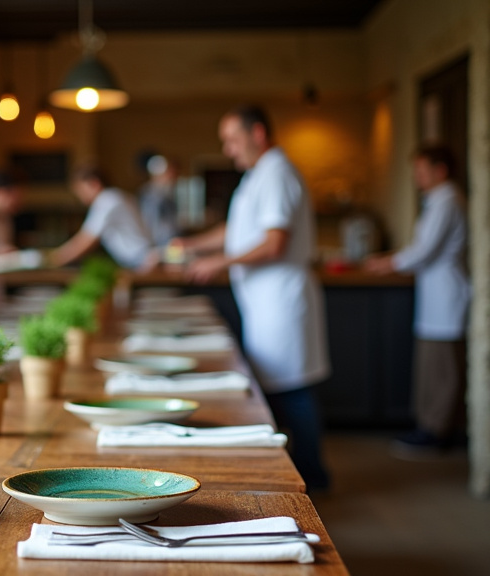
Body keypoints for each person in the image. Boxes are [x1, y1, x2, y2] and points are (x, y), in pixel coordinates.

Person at [172, 105, 331, 491]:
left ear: (257, 133)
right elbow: (238, 229)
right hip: (264, 302)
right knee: (277, 389)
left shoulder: (277, 173)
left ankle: (313, 478)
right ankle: (294, 473)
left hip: (282, 300)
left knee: (292, 392)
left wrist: (218, 262)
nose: (228, 150)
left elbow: (274, 243)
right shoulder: (258, 175)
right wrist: (194, 244)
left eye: (232, 139)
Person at [365, 145, 469, 455]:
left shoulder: (448, 201)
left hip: (448, 295)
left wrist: (386, 263)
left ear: (441, 170)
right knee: (433, 366)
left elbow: (425, 250)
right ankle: (431, 426)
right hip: (436, 296)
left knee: (443, 369)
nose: (417, 177)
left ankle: (437, 430)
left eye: (422, 171)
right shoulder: (439, 200)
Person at [49, 167, 157, 271]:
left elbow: (86, 240)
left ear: (94, 183)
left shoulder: (107, 200)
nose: (80, 196)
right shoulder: (115, 196)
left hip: (141, 262)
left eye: (81, 189)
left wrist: (53, 260)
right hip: (141, 259)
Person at [138, 154, 180, 247]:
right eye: (170, 172)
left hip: (171, 240)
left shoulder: (167, 192)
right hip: (160, 243)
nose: (173, 176)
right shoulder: (150, 194)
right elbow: (150, 222)